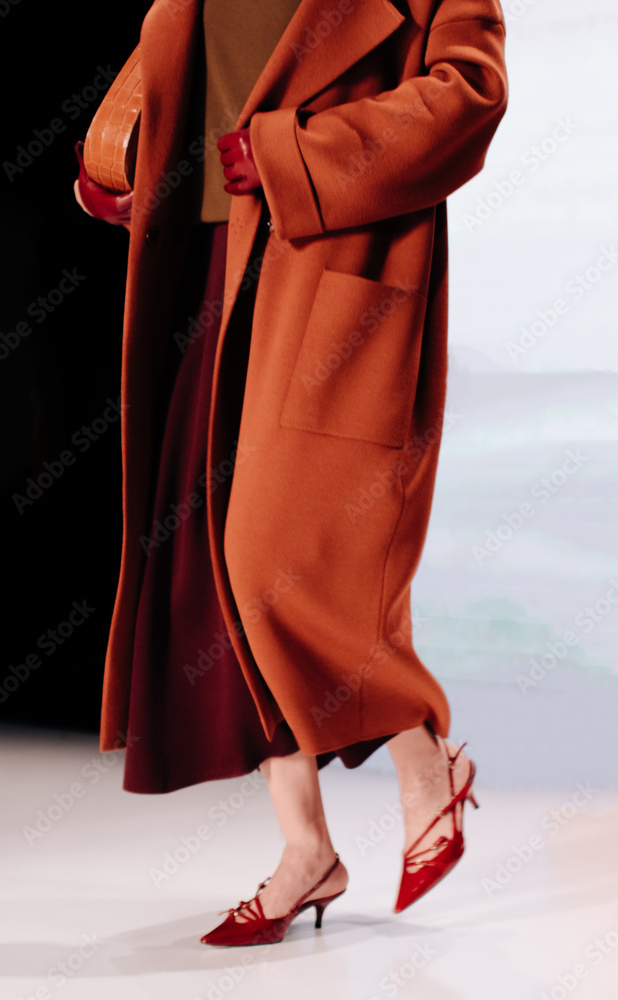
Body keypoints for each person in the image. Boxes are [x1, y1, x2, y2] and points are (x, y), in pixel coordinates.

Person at [74, 0, 507, 947]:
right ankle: (306, 848)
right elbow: (195, 77)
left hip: (329, 269)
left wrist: (298, 156)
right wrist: (130, 166)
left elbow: (470, 95)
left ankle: (424, 760)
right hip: (202, 263)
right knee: (208, 569)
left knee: (274, 555)